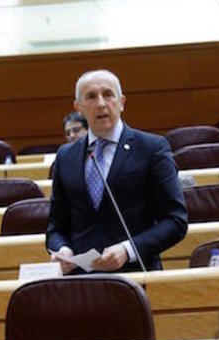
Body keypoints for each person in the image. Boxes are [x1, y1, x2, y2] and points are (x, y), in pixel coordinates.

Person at [46, 69, 188, 273]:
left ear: (121, 102)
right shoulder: (66, 156)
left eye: (108, 94)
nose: (101, 103)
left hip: (136, 276)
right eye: (92, 97)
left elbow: (175, 221)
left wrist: (127, 250)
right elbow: (56, 228)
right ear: (79, 108)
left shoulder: (151, 148)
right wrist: (62, 249)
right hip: (79, 281)